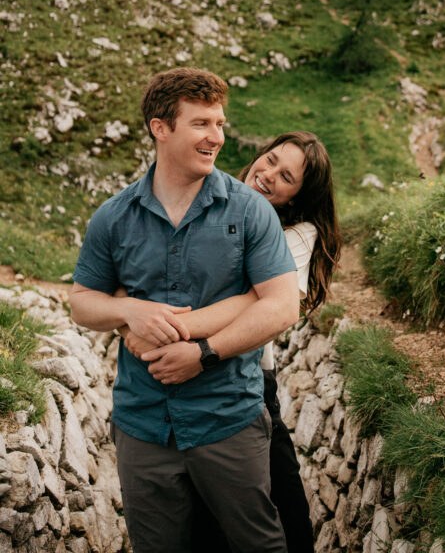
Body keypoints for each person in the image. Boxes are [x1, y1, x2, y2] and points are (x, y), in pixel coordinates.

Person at [69, 68, 300, 553]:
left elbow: (281, 307)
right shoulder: (112, 217)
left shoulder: (249, 211)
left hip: (228, 418)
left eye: (219, 123)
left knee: (258, 546)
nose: (217, 136)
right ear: (161, 128)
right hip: (142, 425)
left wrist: (205, 354)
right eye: (202, 124)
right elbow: (81, 303)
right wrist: (130, 311)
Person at [122, 131, 342, 553]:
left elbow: (264, 304)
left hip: (249, 382)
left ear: (298, 196)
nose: (269, 173)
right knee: (205, 515)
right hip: (178, 379)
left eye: (287, 176)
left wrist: (165, 328)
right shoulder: (211, 203)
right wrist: (130, 324)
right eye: (270, 159)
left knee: (281, 509)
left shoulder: (296, 235)